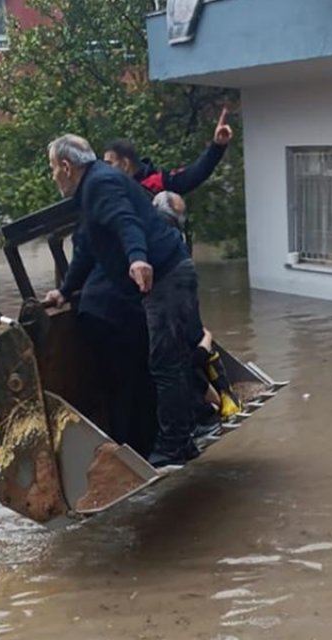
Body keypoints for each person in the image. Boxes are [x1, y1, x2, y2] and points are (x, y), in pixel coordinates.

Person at [42, 135, 205, 468]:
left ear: (66, 166)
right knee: (166, 360)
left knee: (165, 361)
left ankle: (175, 444)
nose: (52, 176)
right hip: (165, 273)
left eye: (52, 168)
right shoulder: (91, 190)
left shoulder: (100, 184)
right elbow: (87, 248)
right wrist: (65, 290)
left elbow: (125, 222)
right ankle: (181, 440)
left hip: (166, 274)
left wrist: (137, 258)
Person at [153, 191, 241, 422]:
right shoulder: (171, 240)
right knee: (199, 348)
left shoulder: (161, 236)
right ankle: (223, 398)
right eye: (178, 213)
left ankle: (222, 399)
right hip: (181, 334)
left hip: (178, 332)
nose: (181, 218)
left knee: (196, 352)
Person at [103, 107, 234, 243]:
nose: (105, 170)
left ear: (125, 164)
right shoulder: (109, 195)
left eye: (109, 164)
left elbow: (195, 174)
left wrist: (217, 146)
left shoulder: (156, 183)